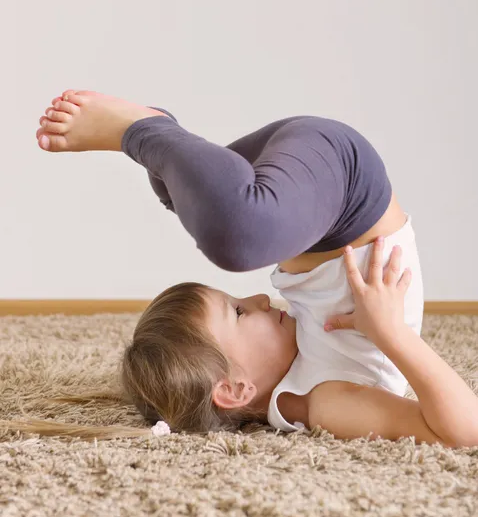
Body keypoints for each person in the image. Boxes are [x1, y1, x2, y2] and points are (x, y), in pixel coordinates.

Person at [3, 90, 477, 447]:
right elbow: (464, 432)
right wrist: (393, 334)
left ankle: (167, 155)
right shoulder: (327, 403)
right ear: (234, 389)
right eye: (238, 313)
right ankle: (151, 133)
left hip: (302, 192)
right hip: (345, 186)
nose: (258, 298)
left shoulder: (304, 377)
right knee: (238, 241)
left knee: (237, 227)